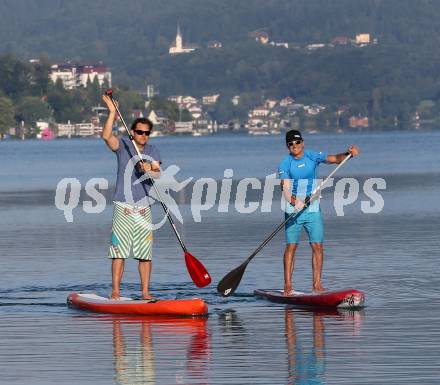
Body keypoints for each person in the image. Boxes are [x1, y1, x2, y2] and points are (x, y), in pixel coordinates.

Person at [278, 130, 359, 295]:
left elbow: (335, 159)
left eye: (297, 142)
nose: (295, 146)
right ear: (288, 146)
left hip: (312, 208)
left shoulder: (312, 156)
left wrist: (348, 154)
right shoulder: (285, 164)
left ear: (303, 142)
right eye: (291, 144)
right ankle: (287, 285)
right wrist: (294, 202)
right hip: (292, 208)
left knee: (317, 245)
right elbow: (284, 188)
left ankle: (316, 285)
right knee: (291, 247)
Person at [102, 94, 161, 300]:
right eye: (139, 132)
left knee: (145, 253)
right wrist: (112, 113)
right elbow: (106, 136)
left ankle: (145, 292)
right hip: (123, 205)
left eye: (147, 133)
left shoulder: (152, 150)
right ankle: (116, 292)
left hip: (144, 207)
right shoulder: (124, 146)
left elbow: (157, 172)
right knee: (119, 251)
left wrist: (148, 169)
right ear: (133, 133)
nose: (143, 135)